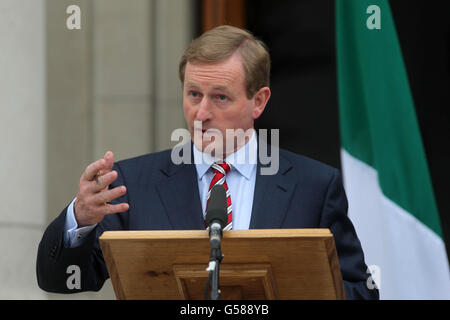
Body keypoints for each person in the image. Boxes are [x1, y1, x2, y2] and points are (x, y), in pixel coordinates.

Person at [36, 25, 379, 300]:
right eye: (193, 94)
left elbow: (360, 291)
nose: (201, 113)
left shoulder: (314, 186)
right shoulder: (134, 183)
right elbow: (62, 281)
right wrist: (79, 217)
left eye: (220, 97)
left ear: (258, 101)